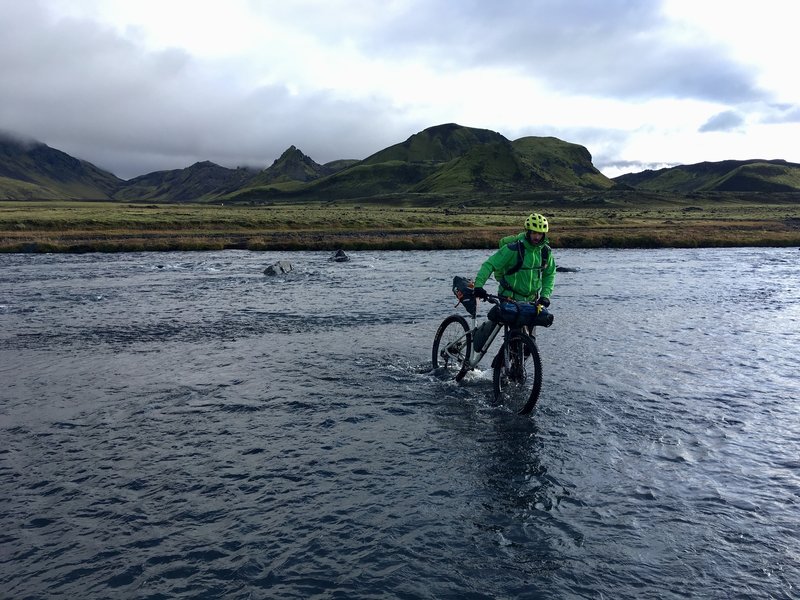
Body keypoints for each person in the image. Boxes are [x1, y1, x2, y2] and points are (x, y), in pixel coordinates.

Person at [473, 213, 556, 307]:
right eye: (534, 233)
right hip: (509, 298)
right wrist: (478, 286)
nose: (537, 237)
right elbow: (490, 264)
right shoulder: (513, 248)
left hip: (532, 300)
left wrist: (545, 295)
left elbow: (549, 274)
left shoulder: (545, 252)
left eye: (540, 233)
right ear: (528, 231)